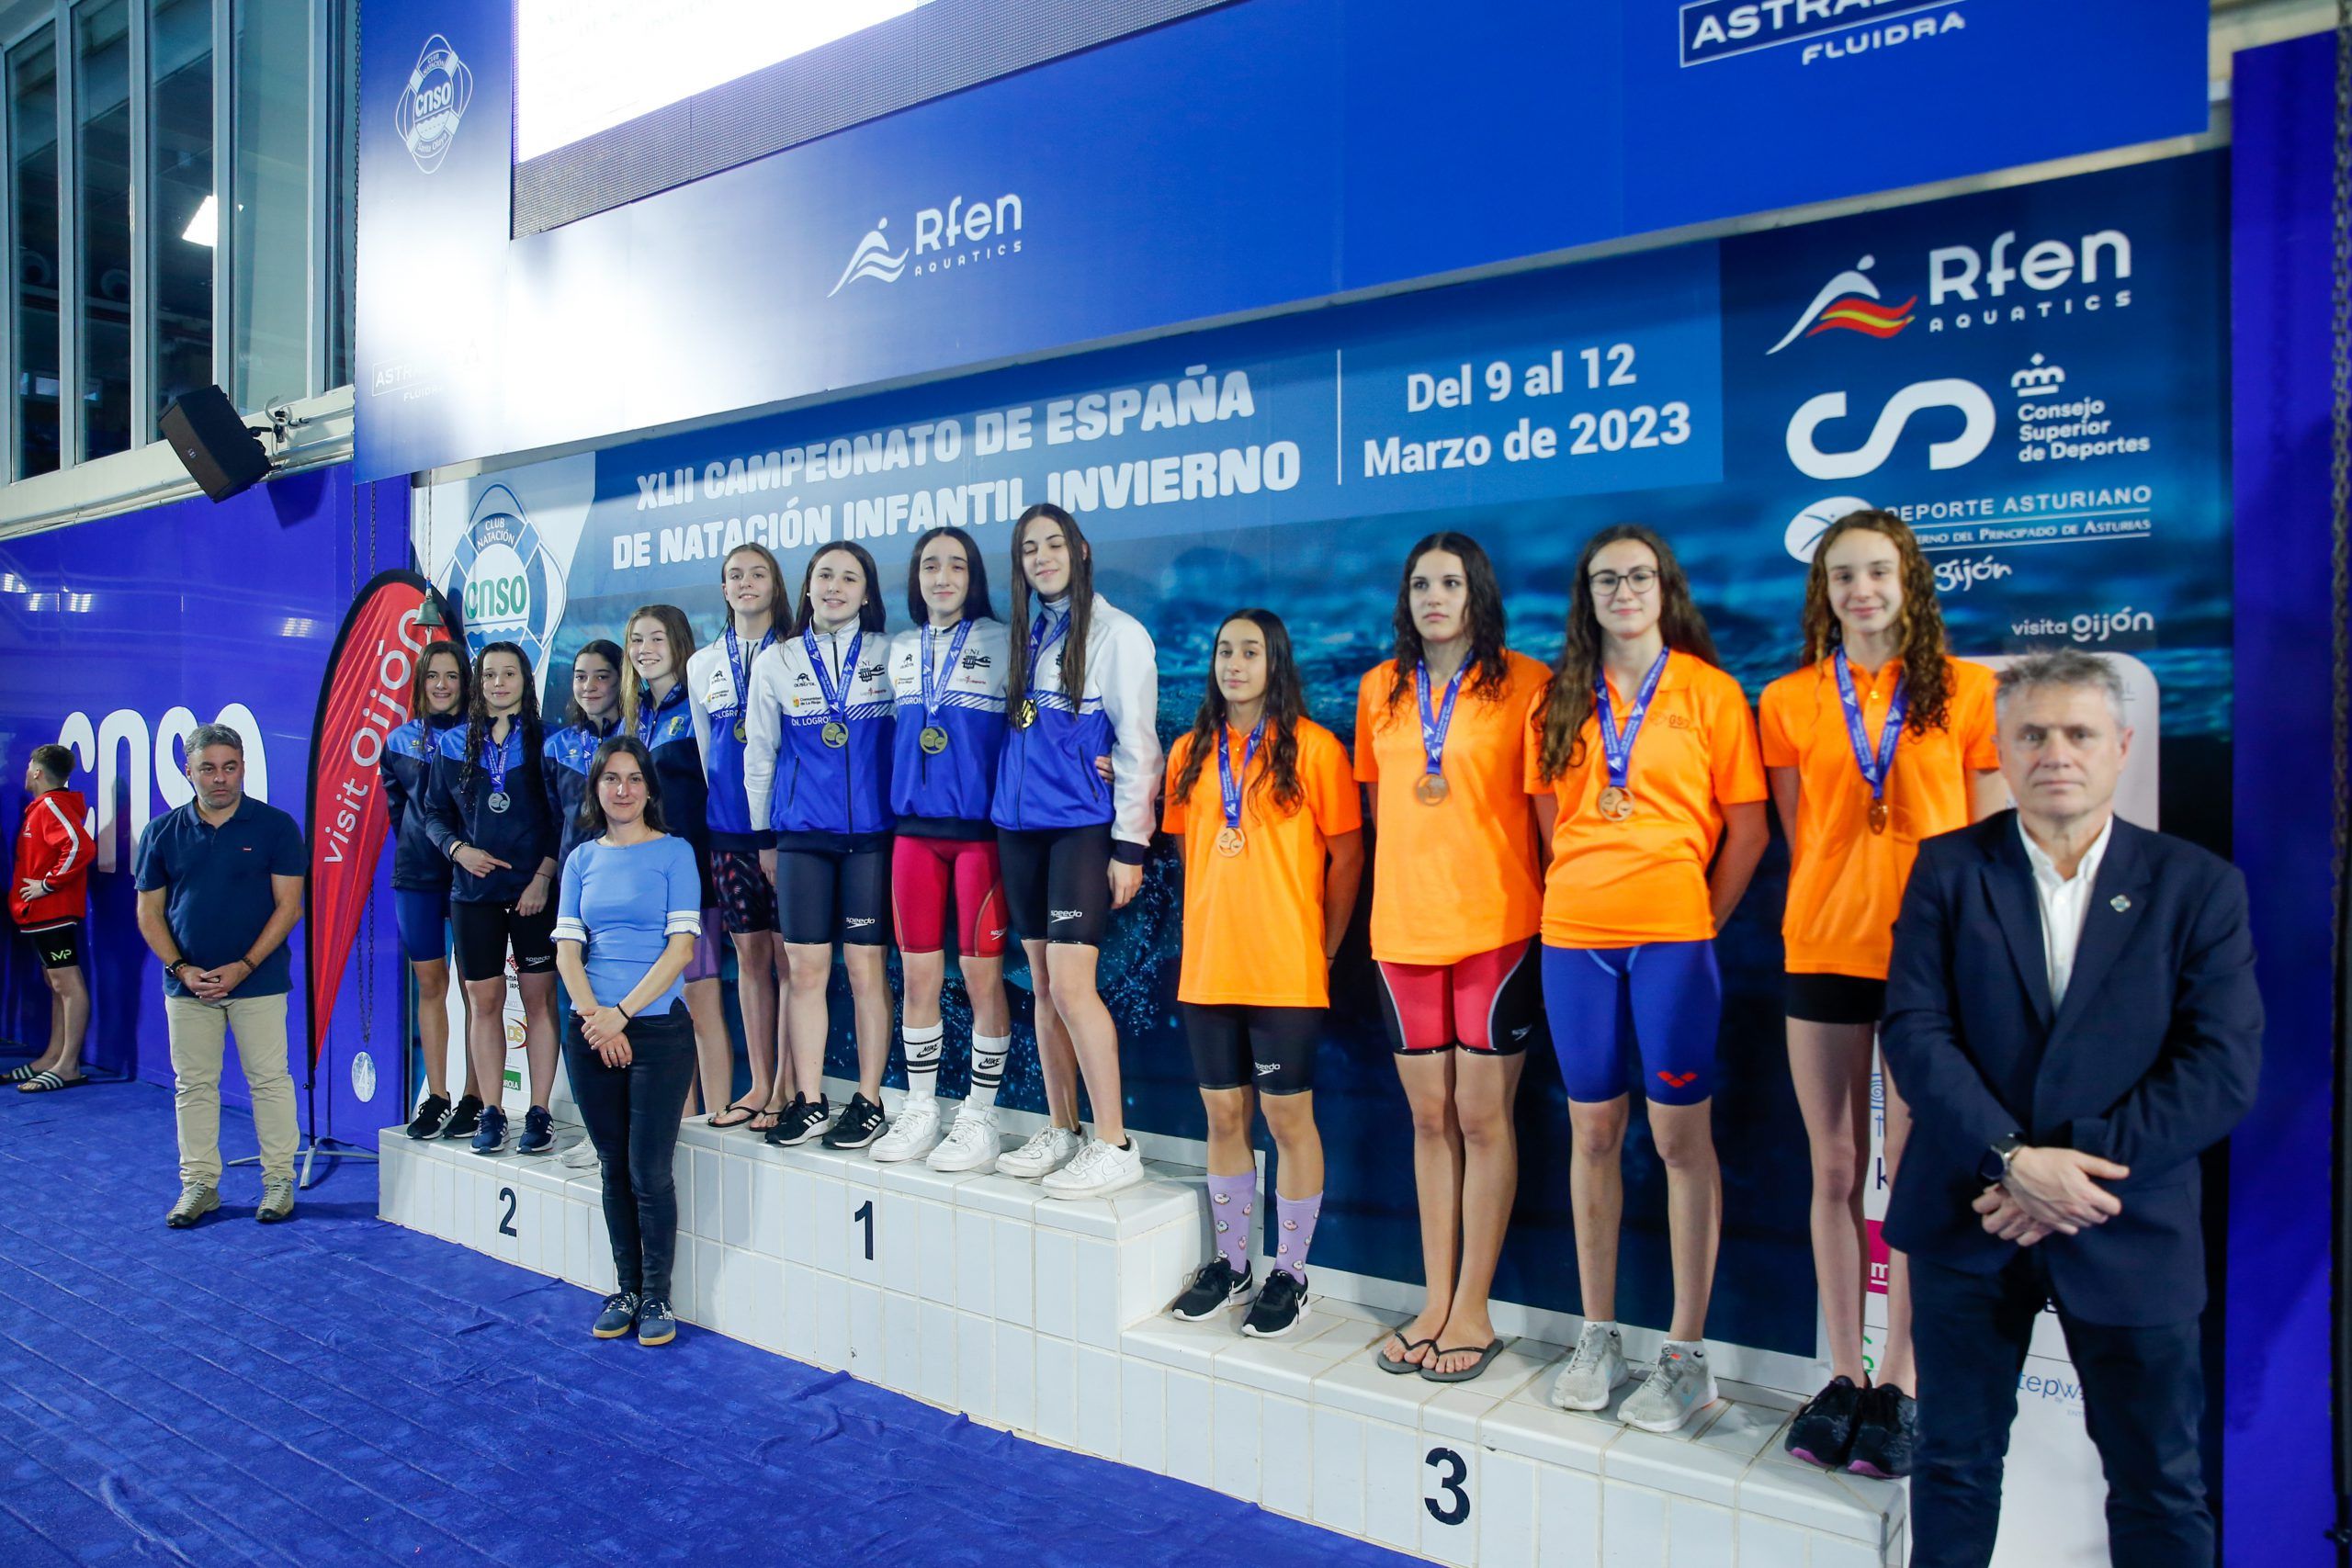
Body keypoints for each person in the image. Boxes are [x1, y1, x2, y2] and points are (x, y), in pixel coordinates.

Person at [1883, 649, 2261, 1568]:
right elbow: (1915, 1031)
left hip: (2126, 1220)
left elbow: (2219, 1067)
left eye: (2080, 733)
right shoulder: (1946, 870)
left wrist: (2067, 1172)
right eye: (2033, 734)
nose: (2056, 752)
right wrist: (2012, 1161)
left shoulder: (2197, 886)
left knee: (2159, 1485)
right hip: (1971, 1213)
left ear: (2121, 746)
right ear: (2002, 751)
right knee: (1952, 1466)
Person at [1760, 510, 2006, 1477]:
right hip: (1822, 944)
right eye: (1842, 576)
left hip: (1929, 960)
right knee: (1831, 1167)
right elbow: (1802, 836)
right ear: (1822, 592)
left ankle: (1898, 1380)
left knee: (1911, 1172)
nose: (1860, 591)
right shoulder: (1789, 700)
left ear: (1909, 582)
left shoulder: (1969, 692)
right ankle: (1841, 1374)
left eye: (1876, 572)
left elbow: (1990, 844)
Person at [1527, 524, 1768, 1431]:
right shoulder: (1556, 700)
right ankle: (1598, 1334)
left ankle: (1686, 1353)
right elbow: (1550, 823)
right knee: (1591, 1133)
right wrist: (1589, 888)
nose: (1622, 591)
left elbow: (1747, 829)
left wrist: (1696, 917)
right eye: (1605, 579)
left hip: (1672, 941)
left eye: (1637, 576)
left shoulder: (1709, 693)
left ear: (1664, 587)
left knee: (1677, 1141)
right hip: (1574, 941)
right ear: (1586, 596)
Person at [1352, 531, 1548, 1383]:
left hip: (1496, 928)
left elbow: (1546, 812)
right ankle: (1435, 1300)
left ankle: (1474, 1308)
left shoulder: (1529, 683)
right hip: (1403, 930)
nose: (1435, 598)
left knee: (1482, 1117)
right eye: (1421, 584)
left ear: (1479, 594)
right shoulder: (1380, 688)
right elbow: (1378, 809)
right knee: (1429, 1119)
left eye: (1452, 583)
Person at [1161, 610, 1363, 1338]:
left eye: (1250, 651)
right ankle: (1231, 1263)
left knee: (1286, 1120)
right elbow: (1189, 855)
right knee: (1223, 1117)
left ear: (1275, 662)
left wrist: (1324, 949)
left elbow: (1347, 857)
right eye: (1224, 650)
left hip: (1286, 969)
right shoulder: (1189, 753)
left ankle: (1292, 1272)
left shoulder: (1315, 749)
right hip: (1210, 968)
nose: (1234, 663)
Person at [990, 503, 1162, 1200]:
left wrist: (1131, 845)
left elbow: (1139, 745)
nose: (1042, 557)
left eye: (1054, 544)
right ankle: (1062, 1128)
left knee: (1070, 986)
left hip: (1080, 829)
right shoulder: (1024, 634)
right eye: (1029, 548)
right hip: (1018, 830)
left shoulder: (1119, 634)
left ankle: (1113, 1142)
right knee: (1041, 986)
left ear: (1082, 550)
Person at [870, 526, 1017, 1170]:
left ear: (973, 577)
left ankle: (979, 1116)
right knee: (919, 978)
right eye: (931, 565)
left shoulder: (1003, 642)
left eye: (956, 565)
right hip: (912, 837)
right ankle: (922, 1106)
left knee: (984, 978)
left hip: (980, 838)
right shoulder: (898, 649)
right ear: (916, 578)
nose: (942, 577)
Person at [744, 541, 898, 1150]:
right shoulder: (776, 662)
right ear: (807, 587)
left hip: (871, 840)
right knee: (805, 970)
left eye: (849, 578)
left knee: (865, 970)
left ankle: (869, 1099)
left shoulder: (889, 654)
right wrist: (764, 836)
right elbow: (761, 755)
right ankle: (808, 1099)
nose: (835, 587)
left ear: (867, 592)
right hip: (802, 838)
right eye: (825, 575)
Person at [552, 736, 704, 1348]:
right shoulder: (580, 860)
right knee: (613, 1165)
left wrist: (622, 1014)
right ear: (596, 788)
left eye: (634, 778)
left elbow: (681, 950)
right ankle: (628, 1289)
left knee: (648, 1170)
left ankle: (658, 1294)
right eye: (611, 778)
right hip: (591, 1030)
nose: (623, 789)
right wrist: (596, 1019)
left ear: (648, 788)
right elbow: (567, 951)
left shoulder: (675, 853)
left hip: (658, 1031)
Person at [132, 723, 306, 1226]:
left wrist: (245, 966)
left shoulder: (275, 827)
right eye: (208, 768)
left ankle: (279, 1181)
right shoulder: (162, 832)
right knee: (193, 1086)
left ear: (243, 767)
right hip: (187, 988)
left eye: (229, 767)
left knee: (269, 1082)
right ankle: (200, 1185)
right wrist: (182, 969)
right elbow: (149, 913)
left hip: (260, 983)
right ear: (188, 771)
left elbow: (289, 907)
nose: (220, 778)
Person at [423, 641, 561, 1156]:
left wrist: (543, 877)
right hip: (474, 893)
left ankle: (540, 1111)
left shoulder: (549, 741)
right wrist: (459, 851)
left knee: (539, 1002)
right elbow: (434, 815)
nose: (498, 683)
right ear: (478, 684)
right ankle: (492, 1111)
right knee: (484, 1003)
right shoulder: (454, 744)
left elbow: (565, 818)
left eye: (509, 674)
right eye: (489, 675)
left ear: (526, 681)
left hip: (533, 894)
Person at [686, 544, 788, 1130]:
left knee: (791, 961)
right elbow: (708, 752)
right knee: (750, 960)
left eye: (757, 574)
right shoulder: (703, 664)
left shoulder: (795, 654)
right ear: (724, 589)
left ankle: (791, 1088)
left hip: (787, 832)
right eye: (735, 575)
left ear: (775, 585)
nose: (746, 583)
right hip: (728, 832)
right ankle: (760, 1083)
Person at [624, 603, 733, 1123]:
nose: (644, 650)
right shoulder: (634, 716)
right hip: (643, 880)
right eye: (636, 640)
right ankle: (678, 1119)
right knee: (662, 1004)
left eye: (656, 639)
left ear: (679, 643)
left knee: (699, 997)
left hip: (693, 878)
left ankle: (717, 1118)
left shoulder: (698, 706)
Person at [385, 643, 488, 1138]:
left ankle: (475, 1096)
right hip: (417, 877)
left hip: (470, 877)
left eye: (451, 676)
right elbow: (397, 811)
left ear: (465, 683)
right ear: (420, 683)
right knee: (430, 986)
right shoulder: (399, 740)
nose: (442, 685)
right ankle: (438, 1096)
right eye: (433, 676)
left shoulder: (482, 737)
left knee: (476, 990)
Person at [9, 742, 96, 1092]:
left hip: (54, 913)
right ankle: (52, 1057)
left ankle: (68, 1065)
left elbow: (81, 846)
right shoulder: (43, 807)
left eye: (28, 765)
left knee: (67, 984)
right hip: (41, 914)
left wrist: (48, 884)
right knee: (56, 984)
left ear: (37, 772)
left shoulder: (51, 806)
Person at [541, 638, 626, 866]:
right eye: (580, 677)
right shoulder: (555, 747)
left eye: (602, 677)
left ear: (622, 679)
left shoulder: (637, 738)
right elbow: (554, 820)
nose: (589, 686)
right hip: (575, 869)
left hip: (629, 863)